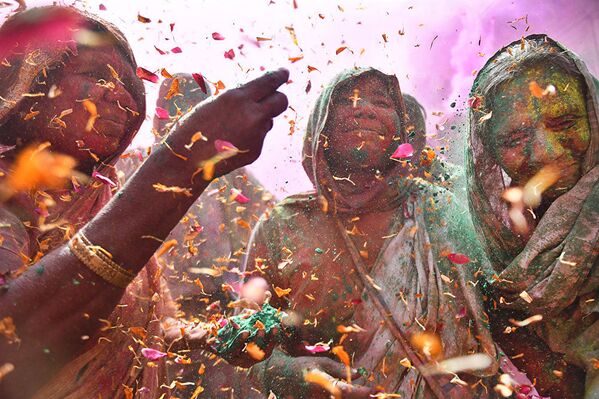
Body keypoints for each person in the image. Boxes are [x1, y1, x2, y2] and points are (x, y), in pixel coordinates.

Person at [0, 6, 288, 398]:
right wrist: (180, 163)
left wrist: (213, 335)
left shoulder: (110, 192)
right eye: (95, 76)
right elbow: (13, 343)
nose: (120, 95)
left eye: (130, 85)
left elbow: (143, 329)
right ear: (30, 86)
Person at [242, 68, 498, 398]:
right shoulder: (283, 225)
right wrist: (288, 372)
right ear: (319, 127)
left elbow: (502, 320)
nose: (364, 109)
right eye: (347, 101)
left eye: (381, 101)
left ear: (402, 131)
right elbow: (243, 347)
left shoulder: (442, 209)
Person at [467, 34, 599, 398]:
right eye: (514, 139)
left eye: (565, 122)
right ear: (488, 155)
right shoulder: (494, 239)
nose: (546, 152)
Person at [144, 73, 274, 398]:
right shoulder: (132, 169)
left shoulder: (229, 175)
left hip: (218, 319)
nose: (182, 122)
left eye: (192, 110)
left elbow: (268, 243)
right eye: (173, 109)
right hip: (147, 324)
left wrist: (249, 301)